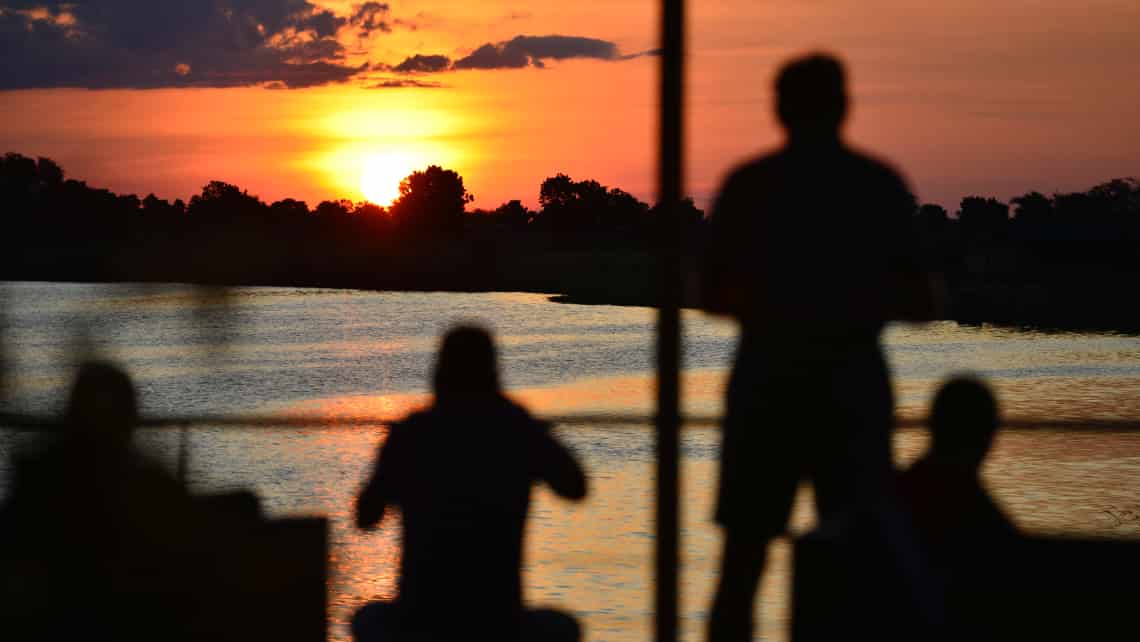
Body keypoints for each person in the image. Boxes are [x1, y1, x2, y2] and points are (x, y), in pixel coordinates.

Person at [702, 53, 940, 641]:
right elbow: (921, 303)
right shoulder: (876, 187)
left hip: (767, 387)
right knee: (857, 561)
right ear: (843, 106)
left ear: (779, 109)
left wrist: (779, 307)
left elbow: (710, 294)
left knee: (743, 564)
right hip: (850, 389)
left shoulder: (750, 186)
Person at [353, 326, 588, 642]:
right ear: (493, 372)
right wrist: (541, 434)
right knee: (563, 627)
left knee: (366, 617)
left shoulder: (412, 433)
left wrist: (391, 461)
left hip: (418, 621)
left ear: (439, 371)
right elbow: (575, 488)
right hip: (500, 622)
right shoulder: (517, 430)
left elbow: (365, 518)